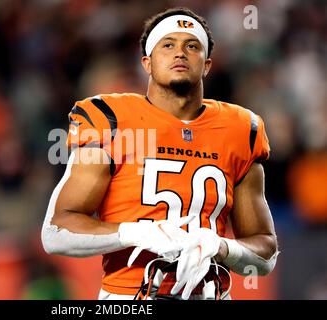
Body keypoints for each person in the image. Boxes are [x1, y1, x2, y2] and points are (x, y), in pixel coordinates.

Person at [41, 7, 278, 300]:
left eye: (191, 46)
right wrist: (137, 234)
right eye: (167, 45)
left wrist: (221, 246)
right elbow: (55, 232)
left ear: (206, 65)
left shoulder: (241, 128)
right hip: (131, 297)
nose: (180, 53)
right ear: (147, 63)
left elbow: (266, 251)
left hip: (208, 294)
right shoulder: (111, 118)